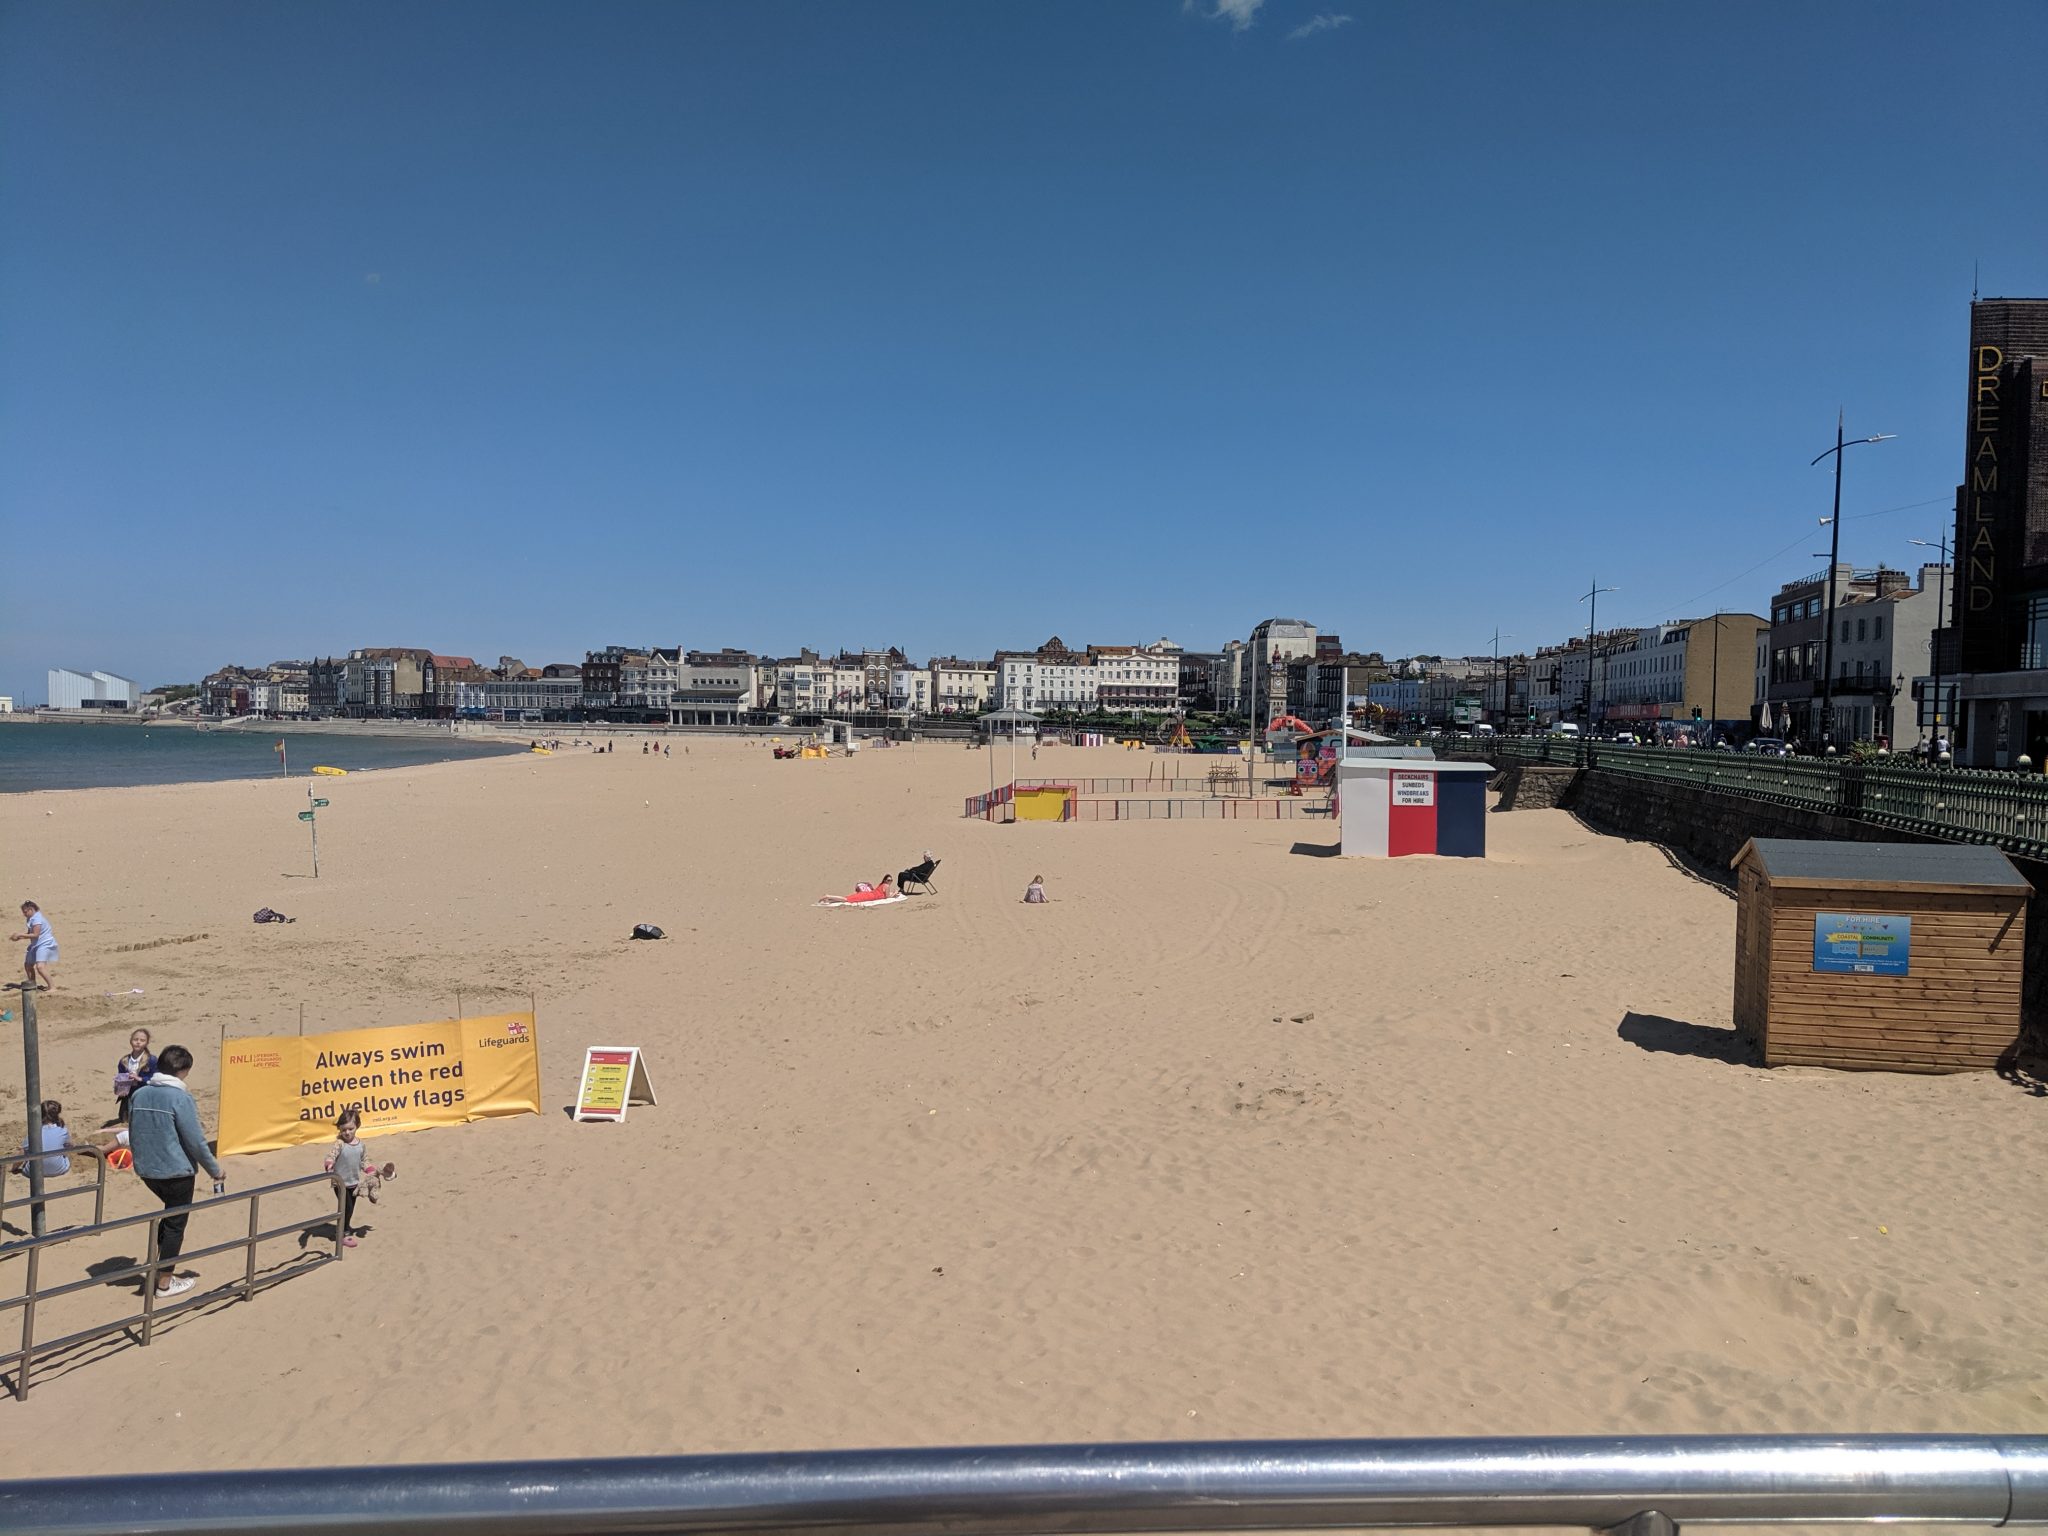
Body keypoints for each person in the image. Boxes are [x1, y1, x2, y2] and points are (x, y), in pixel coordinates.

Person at [127, 1044, 225, 1297]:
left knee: (169, 1216)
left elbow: (134, 1129)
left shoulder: (139, 1094)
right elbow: (195, 1141)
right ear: (181, 1070)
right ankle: (165, 1283)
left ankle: (159, 1269)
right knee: (175, 1225)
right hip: (176, 1172)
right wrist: (215, 1170)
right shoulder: (180, 1097)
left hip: (148, 1170)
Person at [323, 1108, 368, 1248]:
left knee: (351, 1208)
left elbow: (364, 1160)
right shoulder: (340, 1144)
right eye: (343, 1130)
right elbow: (332, 1155)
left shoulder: (360, 1145)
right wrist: (329, 1163)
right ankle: (342, 1233)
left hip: (354, 1182)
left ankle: (345, 1227)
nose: (347, 1133)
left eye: (350, 1129)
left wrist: (370, 1169)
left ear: (357, 1127)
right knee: (346, 1207)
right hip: (340, 1183)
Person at [10, 901, 57, 992]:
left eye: (25, 911)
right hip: (36, 945)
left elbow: (35, 934)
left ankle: (52, 987)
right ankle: (32, 984)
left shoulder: (37, 919)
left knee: (40, 967)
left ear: (31, 909)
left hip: (44, 944)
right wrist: (20, 937)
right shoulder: (30, 918)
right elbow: (30, 933)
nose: (24, 914)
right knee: (28, 965)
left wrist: (20, 934)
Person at [113, 1028, 156, 1124]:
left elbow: (155, 1079)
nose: (138, 1042)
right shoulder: (124, 1061)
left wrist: (140, 1079)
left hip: (145, 1095)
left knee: (143, 1120)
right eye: (135, 1039)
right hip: (128, 1096)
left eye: (142, 1040)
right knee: (126, 1120)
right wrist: (119, 1086)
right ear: (131, 1041)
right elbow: (121, 1077)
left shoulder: (151, 1060)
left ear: (147, 1043)